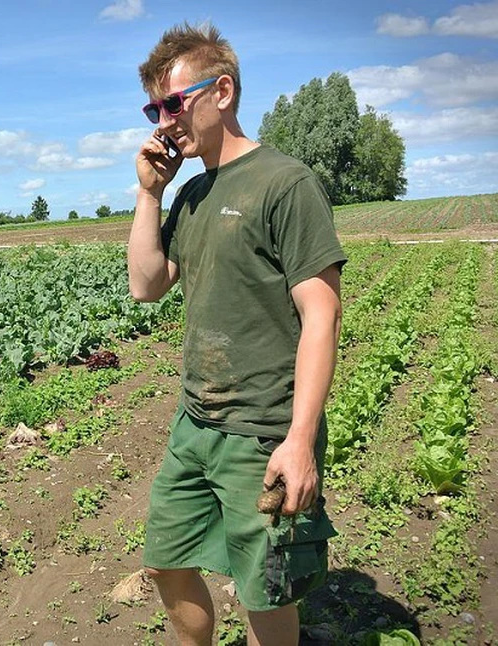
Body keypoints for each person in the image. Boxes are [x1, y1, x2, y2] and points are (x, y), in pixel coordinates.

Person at [128, 22, 347, 646]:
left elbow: (322, 315)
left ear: (221, 91)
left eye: (174, 103)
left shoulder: (286, 183)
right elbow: (147, 284)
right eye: (154, 109)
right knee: (166, 561)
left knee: (263, 593)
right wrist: (150, 194)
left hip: (262, 431)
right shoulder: (190, 194)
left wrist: (300, 439)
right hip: (194, 421)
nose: (164, 121)